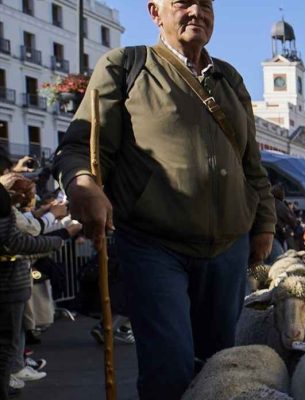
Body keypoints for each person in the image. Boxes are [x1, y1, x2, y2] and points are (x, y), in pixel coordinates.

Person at [51, 1, 276, 398]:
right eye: (183, 3)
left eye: (205, 4)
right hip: (155, 245)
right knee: (169, 368)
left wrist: (264, 223)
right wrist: (83, 183)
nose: (196, 12)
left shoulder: (230, 79)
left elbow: (250, 162)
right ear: (155, 12)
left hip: (227, 247)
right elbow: (80, 147)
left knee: (223, 367)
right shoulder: (125, 66)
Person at [0, 154, 65, 399]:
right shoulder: (3, 200)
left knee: (11, 337)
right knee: (7, 342)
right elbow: (18, 237)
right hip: (8, 282)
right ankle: (13, 373)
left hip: (13, 280)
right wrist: (62, 235)